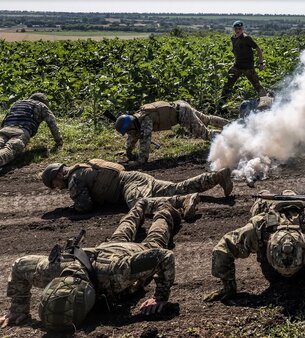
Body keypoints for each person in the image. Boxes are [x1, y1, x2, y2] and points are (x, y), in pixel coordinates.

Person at [0, 199, 188, 331]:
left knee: (156, 237)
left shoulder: (116, 273)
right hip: (105, 248)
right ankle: (140, 204)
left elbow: (163, 257)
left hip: (129, 253)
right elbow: (20, 265)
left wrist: (160, 297)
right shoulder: (51, 271)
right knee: (125, 227)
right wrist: (18, 309)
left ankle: (166, 209)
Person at [203, 190, 305, 301]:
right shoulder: (259, 228)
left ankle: (289, 195)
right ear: (268, 245)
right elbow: (223, 249)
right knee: (260, 203)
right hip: (269, 217)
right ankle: (266, 195)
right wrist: (228, 287)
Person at [41, 158, 233, 214]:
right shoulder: (82, 167)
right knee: (178, 186)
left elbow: (85, 206)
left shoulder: (74, 179)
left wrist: (72, 209)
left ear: (58, 175)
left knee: (137, 204)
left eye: (54, 184)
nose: (57, 188)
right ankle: (217, 177)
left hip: (129, 184)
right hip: (135, 177)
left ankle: (182, 202)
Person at [114, 100, 229, 164]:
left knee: (205, 134)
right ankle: (231, 125)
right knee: (206, 119)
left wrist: (140, 161)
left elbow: (145, 143)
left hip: (182, 114)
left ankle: (230, 137)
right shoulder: (137, 119)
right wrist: (129, 153)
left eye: (128, 130)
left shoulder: (145, 121)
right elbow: (132, 139)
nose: (129, 133)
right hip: (181, 105)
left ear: (131, 125)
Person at [0, 93, 63, 167]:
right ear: (44, 101)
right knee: (10, 149)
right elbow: (52, 123)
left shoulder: (16, 103)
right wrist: (59, 141)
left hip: (5, 130)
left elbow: (4, 120)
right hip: (21, 131)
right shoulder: (41, 105)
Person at [220, 20, 267, 103]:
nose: (237, 30)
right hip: (237, 66)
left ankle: (266, 103)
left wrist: (261, 63)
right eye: (236, 28)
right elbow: (236, 51)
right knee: (227, 84)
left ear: (242, 29)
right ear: (233, 29)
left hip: (248, 67)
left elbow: (258, 49)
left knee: (257, 86)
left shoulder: (247, 38)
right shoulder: (233, 39)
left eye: (239, 28)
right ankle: (221, 105)